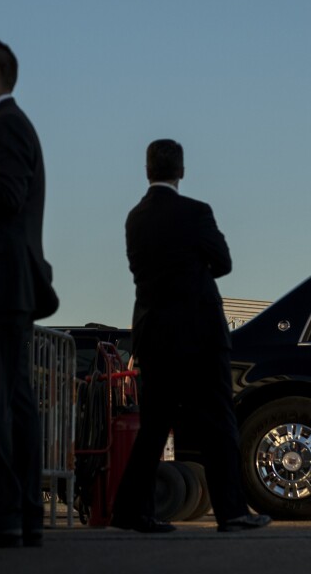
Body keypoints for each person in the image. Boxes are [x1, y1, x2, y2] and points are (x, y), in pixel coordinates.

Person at [111, 139, 269, 534]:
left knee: (152, 429)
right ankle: (231, 511)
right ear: (181, 171)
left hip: (154, 334)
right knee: (218, 424)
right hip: (199, 334)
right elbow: (224, 262)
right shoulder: (196, 212)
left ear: (148, 171)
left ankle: (131, 510)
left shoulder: (135, 218)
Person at [0, 38, 58, 549]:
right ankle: (22, 517)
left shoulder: (6, 124)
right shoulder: (14, 124)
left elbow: (6, 196)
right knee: (15, 399)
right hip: (9, 285)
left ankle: (9, 514)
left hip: (1, 284)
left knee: (4, 402)